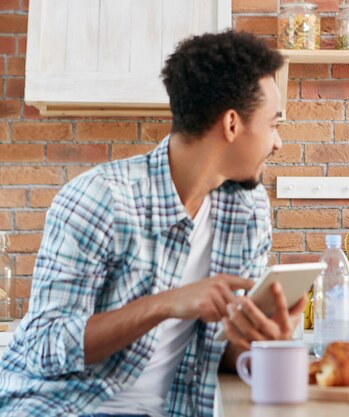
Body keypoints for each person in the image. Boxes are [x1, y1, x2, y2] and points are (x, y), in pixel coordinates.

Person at [0, 30, 305, 416]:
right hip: (62, 407)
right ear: (232, 124)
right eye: (274, 124)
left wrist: (259, 341)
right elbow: (43, 348)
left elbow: (220, 357)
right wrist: (165, 304)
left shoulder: (249, 211)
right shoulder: (99, 199)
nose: (277, 143)